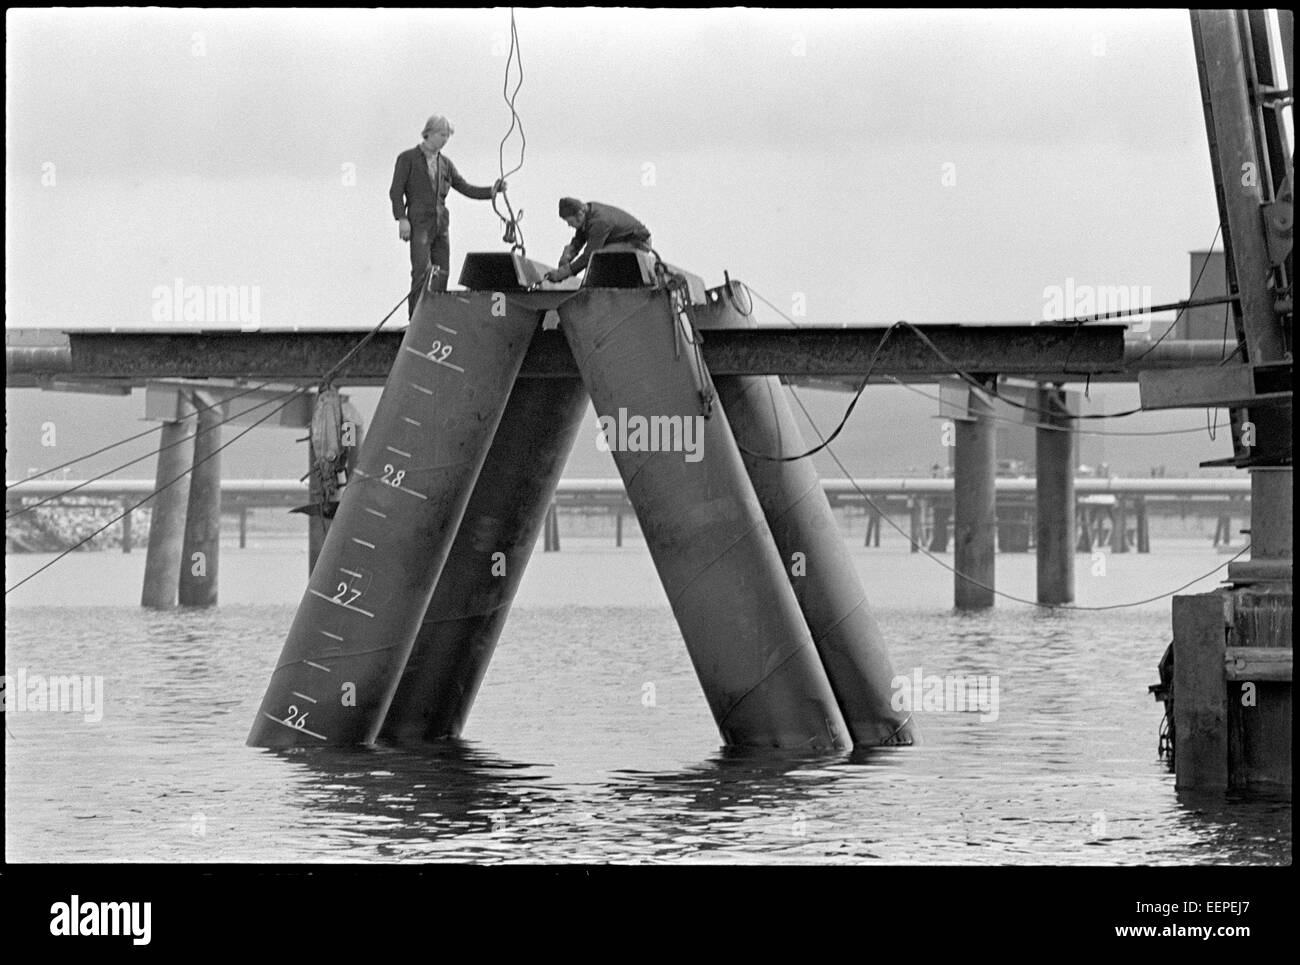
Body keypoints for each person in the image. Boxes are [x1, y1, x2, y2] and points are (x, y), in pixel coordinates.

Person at [389, 114, 505, 316]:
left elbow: (465, 188)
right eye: (442, 135)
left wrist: (492, 191)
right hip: (419, 222)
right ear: (430, 133)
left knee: (443, 271)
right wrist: (402, 219)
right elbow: (395, 192)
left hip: (441, 224)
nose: (445, 140)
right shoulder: (407, 159)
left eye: (447, 136)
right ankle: (416, 318)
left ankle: (435, 316)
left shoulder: (446, 164)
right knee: (421, 273)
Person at [544, 198, 652, 283]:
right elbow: (580, 236)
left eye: (570, 221)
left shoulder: (599, 222)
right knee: (597, 256)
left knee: (598, 258)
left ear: (579, 215)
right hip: (620, 239)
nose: (569, 225)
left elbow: (589, 255)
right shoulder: (587, 212)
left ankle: (598, 288)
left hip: (637, 242)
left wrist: (563, 273)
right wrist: (568, 255)